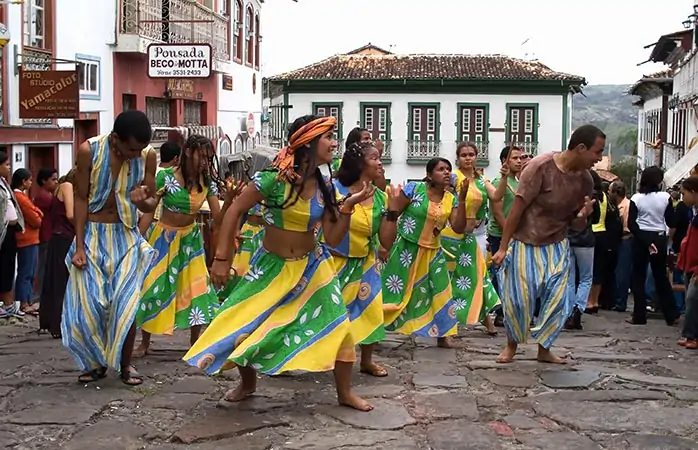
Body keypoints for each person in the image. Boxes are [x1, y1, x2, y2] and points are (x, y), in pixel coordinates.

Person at [183, 115, 374, 412]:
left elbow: (333, 239)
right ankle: (247, 384)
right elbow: (234, 211)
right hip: (270, 268)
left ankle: (345, 393)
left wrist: (347, 207)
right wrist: (222, 259)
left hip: (313, 267)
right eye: (328, 136)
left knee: (340, 327)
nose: (334, 142)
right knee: (242, 324)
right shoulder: (272, 179)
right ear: (307, 143)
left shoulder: (326, 187)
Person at [492, 124, 603, 364]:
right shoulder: (540, 166)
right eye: (597, 152)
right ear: (581, 148)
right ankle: (511, 345)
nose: (600, 158)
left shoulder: (585, 181)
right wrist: (503, 247)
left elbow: (576, 225)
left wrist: (583, 216)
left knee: (558, 301)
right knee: (519, 300)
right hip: (525, 242)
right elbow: (516, 210)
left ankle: (544, 348)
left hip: (557, 244)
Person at [62, 110, 157, 386]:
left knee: (126, 303)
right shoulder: (89, 150)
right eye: (130, 148)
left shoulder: (148, 156)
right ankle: (94, 363)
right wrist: (79, 246)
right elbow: (80, 198)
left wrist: (143, 203)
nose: (134, 154)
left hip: (125, 236)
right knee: (89, 305)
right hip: (92, 234)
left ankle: (126, 365)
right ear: (115, 139)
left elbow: (151, 203)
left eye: (139, 149)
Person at [134, 135, 226, 358]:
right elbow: (149, 210)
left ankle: (195, 343)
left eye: (208, 158)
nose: (205, 162)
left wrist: (230, 199)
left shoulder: (207, 183)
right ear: (187, 153)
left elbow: (218, 218)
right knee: (153, 288)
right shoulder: (165, 177)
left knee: (196, 290)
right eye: (201, 156)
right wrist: (137, 239)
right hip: (163, 239)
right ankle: (144, 342)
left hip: (190, 243)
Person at [381, 157, 467, 348]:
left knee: (441, 291)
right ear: (429, 175)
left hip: (433, 252)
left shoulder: (450, 199)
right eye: (441, 169)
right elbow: (393, 213)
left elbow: (459, 227)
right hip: (406, 249)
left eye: (448, 169)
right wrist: (384, 245)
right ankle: (375, 326)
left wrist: (461, 200)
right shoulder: (414, 189)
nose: (446, 172)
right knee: (394, 293)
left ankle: (444, 334)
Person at [324, 140, 393, 376]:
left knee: (370, 310)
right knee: (333, 312)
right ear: (359, 163)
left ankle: (366, 361)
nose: (379, 161)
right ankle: (325, 355)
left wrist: (392, 213)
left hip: (366, 262)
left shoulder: (381, 197)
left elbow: (385, 240)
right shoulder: (333, 190)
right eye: (374, 157)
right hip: (335, 261)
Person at [441, 142, 507, 334]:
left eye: (471, 154)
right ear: (458, 158)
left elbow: (496, 197)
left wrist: (503, 177)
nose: (468, 158)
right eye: (464, 155)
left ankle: (486, 319)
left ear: (476, 157)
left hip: (473, 236)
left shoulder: (481, 180)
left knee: (478, 276)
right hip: (451, 235)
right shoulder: (453, 178)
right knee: (451, 279)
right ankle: (449, 322)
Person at [626, 166, 679, 326]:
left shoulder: (636, 198)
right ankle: (670, 313)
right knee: (660, 276)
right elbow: (671, 221)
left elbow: (631, 224)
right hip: (659, 237)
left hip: (641, 238)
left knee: (638, 276)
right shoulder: (665, 197)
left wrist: (646, 241)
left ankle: (639, 315)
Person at [39, 170, 76, 338]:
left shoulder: (59, 189)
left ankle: (52, 321)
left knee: (55, 280)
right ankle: (59, 323)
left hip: (59, 238)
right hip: (64, 238)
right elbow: (70, 214)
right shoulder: (67, 186)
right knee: (62, 282)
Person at [565, 173, 600, 330]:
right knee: (586, 277)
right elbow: (597, 219)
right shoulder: (593, 197)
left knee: (569, 278)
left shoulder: (568, 193)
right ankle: (578, 309)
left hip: (568, 238)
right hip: (585, 240)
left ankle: (569, 311)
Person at [12, 169, 43, 315]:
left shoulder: (22, 196)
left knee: (31, 271)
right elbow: (35, 219)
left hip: (31, 239)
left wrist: (37, 212)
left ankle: (28, 300)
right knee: (26, 272)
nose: (31, 183)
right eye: (29, 180)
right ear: (23, 181)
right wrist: (38, 214)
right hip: (27, 239)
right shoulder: (20, 197)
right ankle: (23, 302)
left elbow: (36, 212)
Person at [0, 151, 24, 318]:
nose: (9, 168)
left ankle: (8, 305)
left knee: (8, 267)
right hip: (2, 231)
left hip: (10, 231)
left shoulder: (3, 183)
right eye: (6, 165)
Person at [677, 176, 698, 348]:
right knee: (689, 298)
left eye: (684, 194)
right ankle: (689, 334)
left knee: (692, 298)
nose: (682, 197)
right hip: (690, 261)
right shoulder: (693, 211)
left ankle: (692, 335)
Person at [33, 168, 58, 303]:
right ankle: (39, 295)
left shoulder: (47, 195)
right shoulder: (44, 197)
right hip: (46, 235)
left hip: (48, 234)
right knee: (43, 266)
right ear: (44, 181)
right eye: (53, 179)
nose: (56, 182)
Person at [610, 181, 632, 312]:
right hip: (617, 241)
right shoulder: (615, 206)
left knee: (622, 272)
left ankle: (620, 301)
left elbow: (627, 227)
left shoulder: (627, 206)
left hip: (625, 240)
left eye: (610, 191)